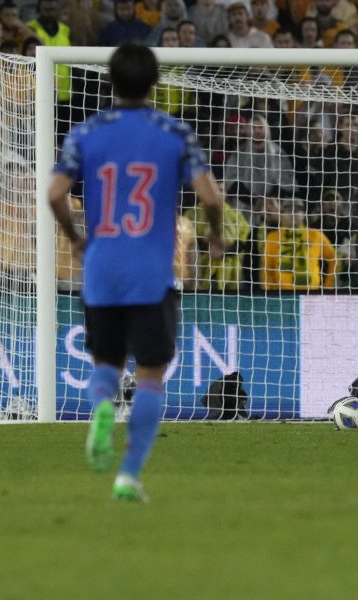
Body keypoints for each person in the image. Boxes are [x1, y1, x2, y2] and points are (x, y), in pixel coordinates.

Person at [47, 44, 225, 503]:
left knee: (105, 364)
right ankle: (128, 474)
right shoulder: (174, 131)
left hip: (102, 268)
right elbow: (210, 197)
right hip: (152, 272)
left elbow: (54, 193)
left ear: (109, 80)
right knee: (150, 376)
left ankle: (102, 406)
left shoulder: (85, 132)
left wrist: (73, 236)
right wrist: (217, 238)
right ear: (155, 83)